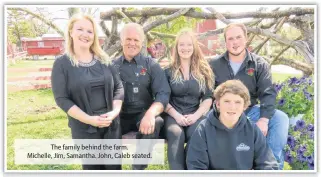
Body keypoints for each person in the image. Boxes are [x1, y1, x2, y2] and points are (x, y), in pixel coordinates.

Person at [209, 23, 289, 169]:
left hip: (249, 111)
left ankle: (271, 166)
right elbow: (208, 94)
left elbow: (267, 94)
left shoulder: (259, 64)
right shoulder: (214, 64)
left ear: (246, 39)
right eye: (230, 39)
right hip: (224, 113)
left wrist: (264, 120)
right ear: (225, 42)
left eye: (238, 37)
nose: (235, 42)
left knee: (280, 119)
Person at [51, 14, 124, 170]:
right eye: (80, 29)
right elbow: (62, 99)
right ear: (71, 32)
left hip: (111, 126)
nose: (85, 34)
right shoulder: (62, 64)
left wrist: (114, 113)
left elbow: (118, 87)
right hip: (84, 129)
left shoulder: (104, 59)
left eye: (90, 31)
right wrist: (89, 119)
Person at [112, 23, 171, 170]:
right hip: (119, 115)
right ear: (121, 40)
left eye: (136, 40)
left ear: (142, 42)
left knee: (156, 121)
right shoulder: (111, 66)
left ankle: (137, 169)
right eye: (128, 39)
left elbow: (163, 93)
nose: (132, 43)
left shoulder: (152, 65)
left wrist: (150, 114)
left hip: (143, 114)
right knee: (106, 129)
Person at [186, 80, 279, 170]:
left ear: (245, 106)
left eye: (238, 102)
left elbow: (268, 165)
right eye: (226, 101)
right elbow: (196, 168)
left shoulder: (252, 130)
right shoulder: (203, 129)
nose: (232, 107)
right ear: (218, 104)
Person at [163, 29, 214, 170]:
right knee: (176, 133)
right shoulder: (168, 71)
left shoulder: (204, 71)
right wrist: (177, 116)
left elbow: (208, 98)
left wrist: (196, 115)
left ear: (194, 46)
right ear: (176, 47)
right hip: (172, 114)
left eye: (189, 44)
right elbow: (162, 98)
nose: (185, 48)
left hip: (195, 114)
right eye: (181, 45)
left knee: (198, 131)